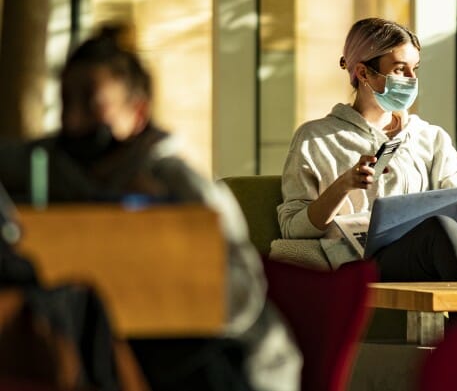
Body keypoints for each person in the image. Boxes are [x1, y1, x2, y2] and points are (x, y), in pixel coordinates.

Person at [0, 24, 301, 391]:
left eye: (92, 105)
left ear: (138, 113)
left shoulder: (176, 180)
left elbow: (241, 289)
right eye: (66, 103)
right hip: (119, 355)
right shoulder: (53, 161)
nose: (72, 120)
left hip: (228, 361)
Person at [278, 17, 457, 281]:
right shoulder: (315, 138)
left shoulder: (431, 138)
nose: (411, 79)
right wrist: (343, 185)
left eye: (415, 68)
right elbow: (293, 229)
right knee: (439, 230)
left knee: (443, 230)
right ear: (363, 72)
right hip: (359, 261)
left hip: (427, 254)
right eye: (399, 69)